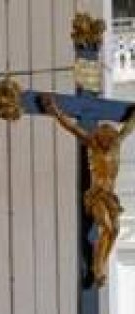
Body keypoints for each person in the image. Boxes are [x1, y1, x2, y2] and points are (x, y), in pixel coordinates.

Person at [37, 93, 135, 286]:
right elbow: (72, 127)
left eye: (110, 137)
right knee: (106, 227)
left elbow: (128, 129)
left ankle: (101, 263)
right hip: (95, 196)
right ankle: (98, 269)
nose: (107, 141)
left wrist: (133, 117)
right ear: (99, 137)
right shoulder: (92, 144)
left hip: (110, 196)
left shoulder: (116, 145)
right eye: (104, 137)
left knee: (114, 230)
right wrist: (55, 111)